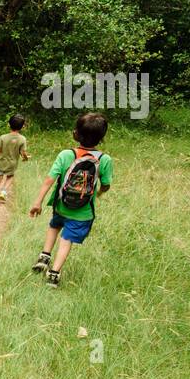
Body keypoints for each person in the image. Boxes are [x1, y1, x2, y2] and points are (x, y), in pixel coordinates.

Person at [28, 112, 113, 288]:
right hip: (83, 212)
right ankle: (54, 273)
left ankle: (44, 256)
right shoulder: (104, 159)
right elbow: (106, 184)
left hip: (61, 205)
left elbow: (49, 180)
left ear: (76, 134)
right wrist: (100, 192)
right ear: (101, 138)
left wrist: (38, 202)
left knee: (54, 226)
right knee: (66, 240)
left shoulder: (66, 154)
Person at [0, 114, 29, 202]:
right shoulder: (22, 139)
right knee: (10, 177)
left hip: (1, 162)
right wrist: (26, 158)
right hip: (12, 164)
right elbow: (23, 153)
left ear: (9, 124)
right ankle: (3, 191)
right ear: (22, 127)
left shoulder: (3, 137)